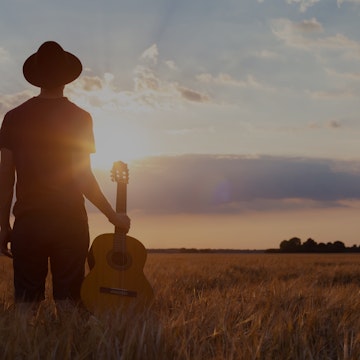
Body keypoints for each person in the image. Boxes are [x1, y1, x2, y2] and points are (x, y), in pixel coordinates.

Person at [0, 41, 130, 305]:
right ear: (66, 78)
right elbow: (83, 177)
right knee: (70, 305)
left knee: (26, 306)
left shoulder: (13, 117)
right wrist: (112, 215)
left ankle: (26, 348)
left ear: (36, 77)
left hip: (29, 222)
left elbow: (5, 178)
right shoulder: (80, 117)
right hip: (70, 223)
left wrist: (4, 226)